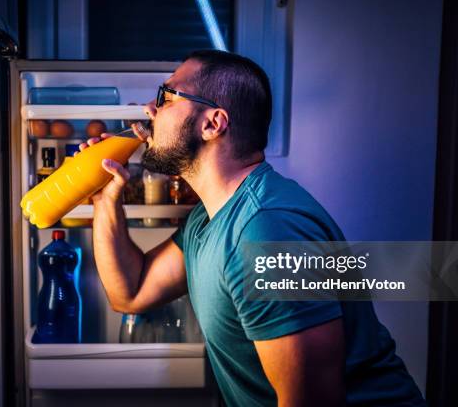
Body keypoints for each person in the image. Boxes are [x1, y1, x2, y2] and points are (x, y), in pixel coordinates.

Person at [79, 50, 426, 406]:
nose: (150, 109)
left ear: (212, 124)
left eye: (166, 96)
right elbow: (131, 293)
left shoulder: (269, 231)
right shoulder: (210, 218)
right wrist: (105, 200)